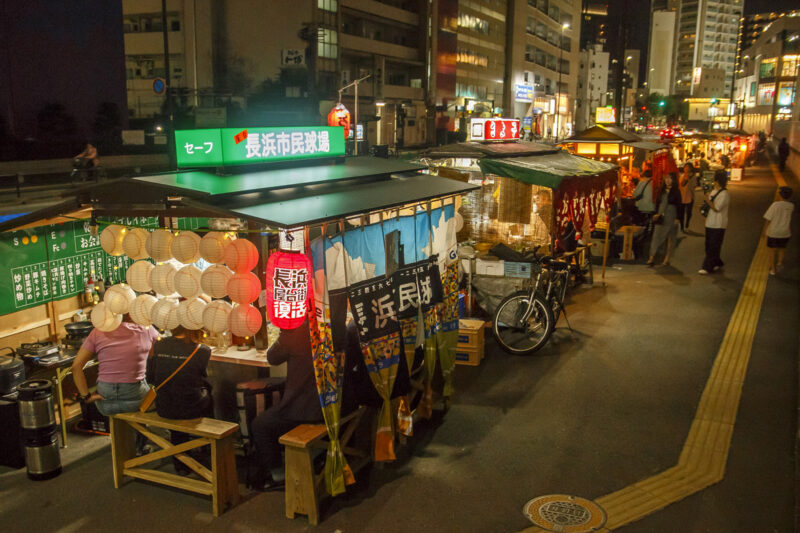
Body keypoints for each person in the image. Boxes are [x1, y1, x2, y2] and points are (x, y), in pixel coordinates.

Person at [250, 320, 323, 491]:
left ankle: (278, 474)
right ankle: (315, 454)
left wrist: (286, 330)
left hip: (305, 410)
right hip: (332, 405)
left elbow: (272, 357)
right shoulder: (329, 326)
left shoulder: (295, 333)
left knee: (260, 425)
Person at [146, 325, 213, 475]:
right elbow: (201, 376)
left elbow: (150, 377)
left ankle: (182, 463)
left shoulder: (159, 344)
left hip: (163, 406)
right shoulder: (202, 350)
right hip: (189, 408)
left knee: (177, 398)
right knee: (206, 394)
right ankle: (207, 444)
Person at [72, 314, 159, 415]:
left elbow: (76, 367)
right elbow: (156, 355)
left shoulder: (98, 331)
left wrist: (86, 396)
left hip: (105, 404)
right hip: (137, 400)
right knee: (157, 394)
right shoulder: (147, 329)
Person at [647, 172, 682, 266]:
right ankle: (652, 257)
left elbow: (679, 206)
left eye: (670, 178)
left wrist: (678, 218)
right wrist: (655, 213)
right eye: (666, 178)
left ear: (673, 180)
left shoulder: (676, 191)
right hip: (660, 216)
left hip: (671, 215)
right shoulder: (661, 191)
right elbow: (657, 203)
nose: (667, 180)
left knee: (671, 238)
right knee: (657, 235)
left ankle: (667, 258)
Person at [699, 170, 730, 275]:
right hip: (710, 222)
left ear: (717, 180)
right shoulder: (714, 191)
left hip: (719, 224)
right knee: (709, 245)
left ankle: (707, 267)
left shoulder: (724, 194)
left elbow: (717, 208)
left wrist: (707, 200)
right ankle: (716, 263)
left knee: (713, 245)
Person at [762, 186, 795, 275]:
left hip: (774, 232)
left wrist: (764, 231)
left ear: (780, 195)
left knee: (772, 251)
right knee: (782, 248)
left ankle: (773, 269)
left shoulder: (775, 205)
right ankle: (779, 263)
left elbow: (768, 219)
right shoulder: (791, 206)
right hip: (785, 232)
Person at [678, 163, 695, 233]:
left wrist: (689, 179)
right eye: (685, 167)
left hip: (690, 197)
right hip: (682, 197)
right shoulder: (681, 176)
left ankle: (686, 225)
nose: (686, 169)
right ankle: (682, 226)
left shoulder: (693, 177)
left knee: (689, 213)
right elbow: (681, 185)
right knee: (681, 213)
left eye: (688, 167)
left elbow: (694, 186)